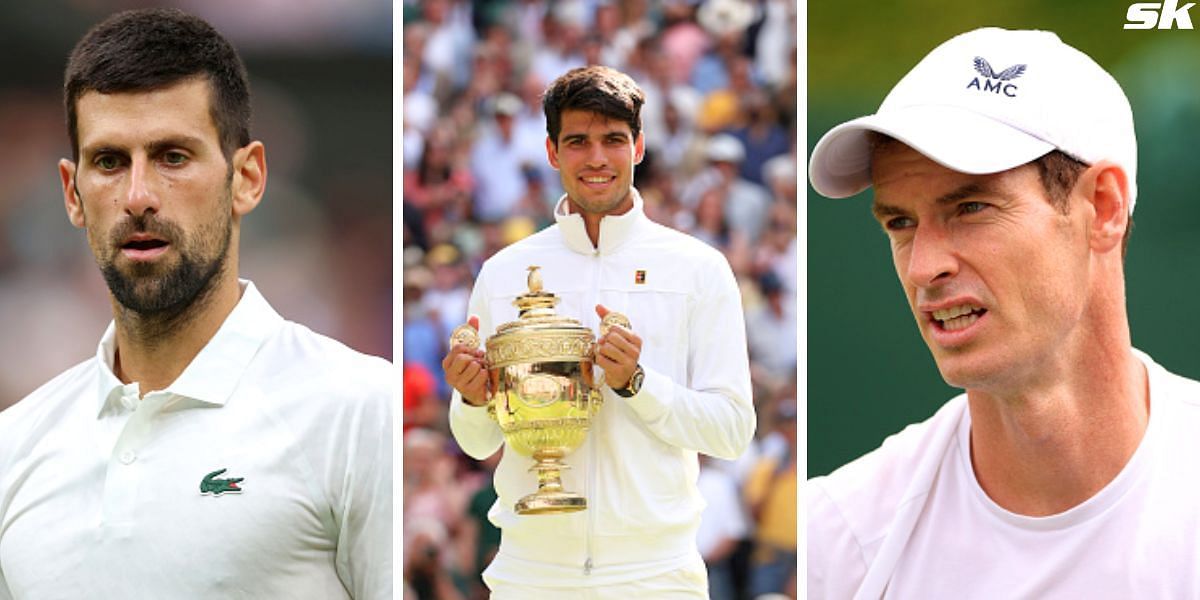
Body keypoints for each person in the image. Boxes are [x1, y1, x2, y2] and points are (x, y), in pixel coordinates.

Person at [0, 9, 391, 599]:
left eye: (172, 158)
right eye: (109, 162)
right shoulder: (14, 446)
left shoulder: (358, 411)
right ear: (71, 193)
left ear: (247, 178)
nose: (137, 196)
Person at [806, 27, 1200, 597]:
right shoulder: (838, 541)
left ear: (1103, 207)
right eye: (900, 223)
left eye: (970, 207)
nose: (923, 268)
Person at [444, 65, 755, 598]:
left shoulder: (697, 268)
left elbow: (731, 431)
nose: (596, 159)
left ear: (638, 147)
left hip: (656, 577)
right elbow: (476, 443)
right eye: (578, 142)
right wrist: (471, 400)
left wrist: (636, 383)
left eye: (613, 140)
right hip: (530, 575)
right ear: (551, 152)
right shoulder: (503, 272)